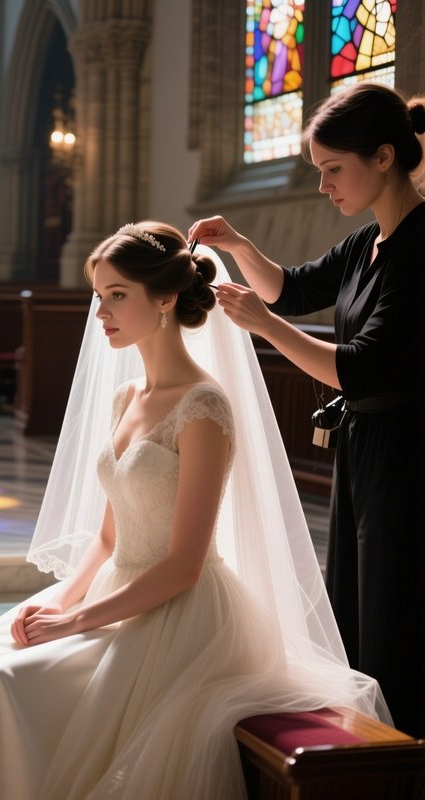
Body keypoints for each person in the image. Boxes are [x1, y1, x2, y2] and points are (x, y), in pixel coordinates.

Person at [0, 222, 386, 800]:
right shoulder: (126, 397)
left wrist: (78, 620)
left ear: (163, 300)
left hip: (177, 615)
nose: (101, 312)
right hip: (113, 590)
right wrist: (57, 599)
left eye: (117, 295)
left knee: (4, 681)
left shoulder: (203, 408)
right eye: (98, 295)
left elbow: (184, 563)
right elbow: (109, 538)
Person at [189, 82, 425, 739]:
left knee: (395, 606)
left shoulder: (420, 247)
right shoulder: (366, 243)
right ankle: (370, 746)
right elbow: (293, 290)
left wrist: (262, 326)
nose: (324, 186)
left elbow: (359, 363)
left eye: (332, 170)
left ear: (383, 158)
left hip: (409, 451)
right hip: (366, 445)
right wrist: (237, 243)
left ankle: (402, 749)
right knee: (355, 597)